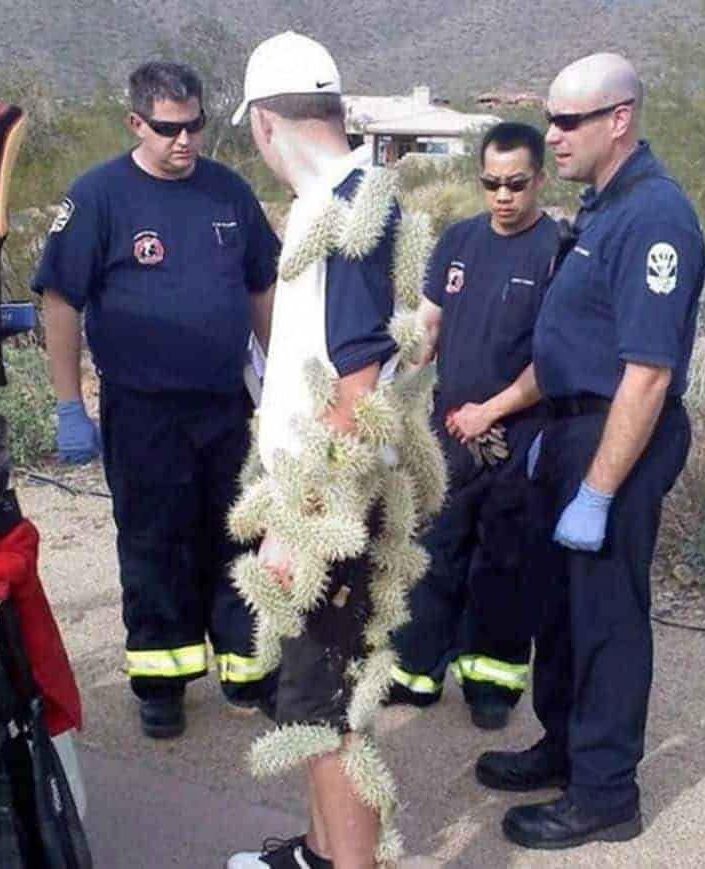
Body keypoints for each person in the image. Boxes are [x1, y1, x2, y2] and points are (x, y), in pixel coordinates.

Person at [225, 31, 445, 869]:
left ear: (265, 124)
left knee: (330, 710)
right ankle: (320, 855)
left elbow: (354, 392)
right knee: (311, 698)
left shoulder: (349, 214)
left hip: (331, 508)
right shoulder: (352, 201)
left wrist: (303, 526)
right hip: (329, 495)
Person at [476, 53, 705, 849]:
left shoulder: (655, 217)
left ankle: (605, 790)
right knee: (561, 606)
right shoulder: (603, 209)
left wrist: (600, 491)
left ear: (620, 119)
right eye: (550, 118)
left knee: (605, 615)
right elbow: (571, 344)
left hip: (619, 433)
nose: (553, 135)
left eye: (569, 120)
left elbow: (648, 373)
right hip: (571, 429)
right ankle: (566, 746)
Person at [32, 61, 281, 739]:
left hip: (225, 403)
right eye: (169, 128)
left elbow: (263, 286)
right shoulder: (100, 196)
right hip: (143, 409)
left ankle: (247, 669)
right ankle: (162, 682)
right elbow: (61, 300)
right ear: (135, 123)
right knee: (155, 542)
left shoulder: (227, 191)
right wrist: (68, 404)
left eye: (194, 124)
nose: (185, 140)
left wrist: (281, 380)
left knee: (238, 534)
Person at [388, 122, 558, 730]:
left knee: (503, 560)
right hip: (447, 431)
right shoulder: (458, 240)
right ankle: (416, 672)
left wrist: (492, 411)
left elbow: (554, 359)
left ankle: (490, 683)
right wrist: (403, 387)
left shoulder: (557, 251)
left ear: (539, 180)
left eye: (516, 183)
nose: (503, 196)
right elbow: (429, 325)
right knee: (435, 548)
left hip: (517, 433)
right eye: (492, 183)